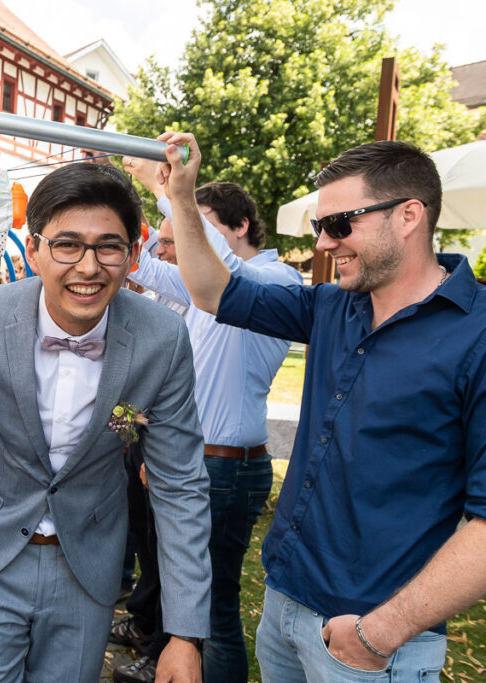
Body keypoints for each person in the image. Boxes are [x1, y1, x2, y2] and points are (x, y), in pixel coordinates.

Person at [159, 131, 486, 681]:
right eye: (319, 226)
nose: (325, 243)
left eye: (339, 224)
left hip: (373, 638)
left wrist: (379, 633)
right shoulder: (332, 306)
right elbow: (213, 292)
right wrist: (182, 200)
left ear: (409, 215)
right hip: (285, 604)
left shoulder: (476, 334)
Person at [0, 163, 211, 682]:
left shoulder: (163, 337)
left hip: (89, 567)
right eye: (67, 245)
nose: (88, 267)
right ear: (34, 248)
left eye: (108, 247)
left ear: (134, 253)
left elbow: (179, 483)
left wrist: (184, 633)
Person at [118, 158, 303, 683]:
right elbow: (144, 268)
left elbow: (226, 271)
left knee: (215, 613)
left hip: (225, 468)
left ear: (240, 226)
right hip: (192, 459)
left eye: (198, 225)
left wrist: (169, 192)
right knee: (187, 593)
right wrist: (130, 205)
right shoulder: (207, 287)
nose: (186, 242)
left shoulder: (274, 278)